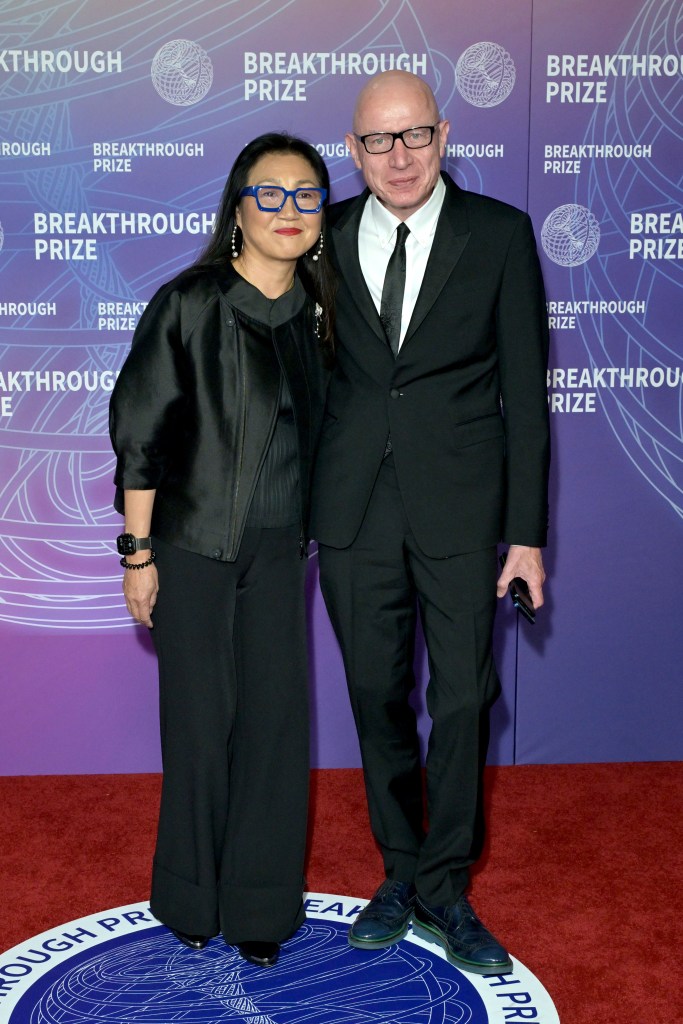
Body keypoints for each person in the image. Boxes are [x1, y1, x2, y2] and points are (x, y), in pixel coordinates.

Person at [310, 71, 550, 974]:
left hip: (459, 510)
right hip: (352, 513)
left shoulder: (498, 236)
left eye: (413, 136)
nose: (398, 157)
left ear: (443, 136)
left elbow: (524, 398)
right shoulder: (322, 237)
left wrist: (525, 535)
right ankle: (400, 870)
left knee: (460, 699)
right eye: (378, 141)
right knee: (375, 699)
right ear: (354, 149)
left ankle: (445, 885)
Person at [109, 132, 333, 968]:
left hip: (281, 556)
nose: (287, 209)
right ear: (237, 206)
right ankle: (190, 901)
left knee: (276, 730)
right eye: (268, 193)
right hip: (190, 550)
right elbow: (141, 433)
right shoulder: (189, 301)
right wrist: (137, 554)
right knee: (201, 729)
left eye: (305, 194)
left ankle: (259, 910)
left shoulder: (322, 313)